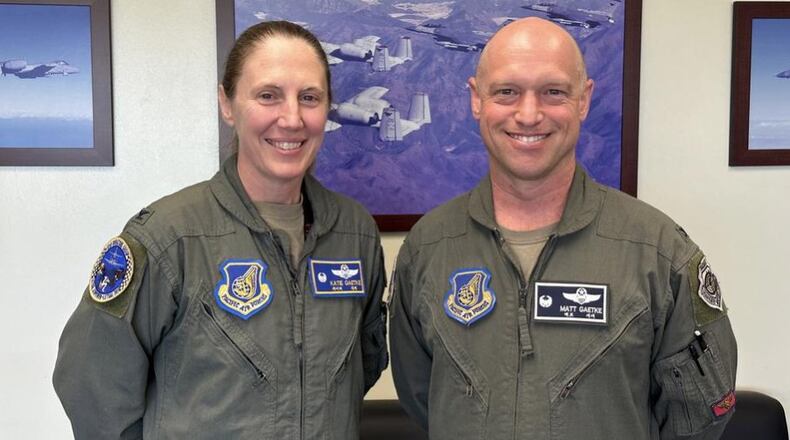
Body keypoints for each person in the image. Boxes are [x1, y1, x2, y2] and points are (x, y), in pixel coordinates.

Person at [390, 17, 737, 440]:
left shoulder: (658, 252)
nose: (529, 114)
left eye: (553, 91)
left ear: (584, 99)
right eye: (507, 92)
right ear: (476, 99)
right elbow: (422, 395)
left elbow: (698, 415)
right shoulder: (428, 247)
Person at [53, 21, 388, 439]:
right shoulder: (167, 238)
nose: (291, 118)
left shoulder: (354, 235)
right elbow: (92, 387)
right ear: (227, 104)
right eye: (268, 95)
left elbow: (362, 367)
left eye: (309, 98)